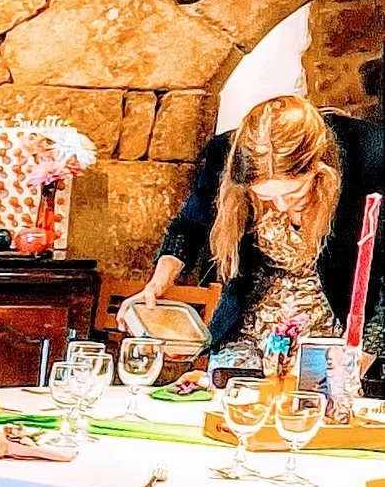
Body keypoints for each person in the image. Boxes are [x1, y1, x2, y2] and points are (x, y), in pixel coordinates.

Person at [138, 89, 385, 361]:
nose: (280, 206)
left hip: (332, 337)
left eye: (294, 193)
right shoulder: (225, 155)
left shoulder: (369, 156)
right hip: (249, 331)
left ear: (320, 169)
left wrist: (365, 353)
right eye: (265, 197)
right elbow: (187, 227)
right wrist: (158, 284)